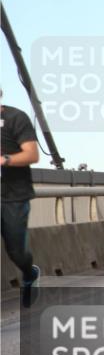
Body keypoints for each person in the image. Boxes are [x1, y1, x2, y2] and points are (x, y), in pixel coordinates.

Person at [1, 93, 41, 307]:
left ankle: (29, 273)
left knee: (16, 251)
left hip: (13, 196)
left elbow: (32, 155)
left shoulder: (16, 118)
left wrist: (4, 160)